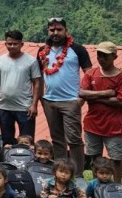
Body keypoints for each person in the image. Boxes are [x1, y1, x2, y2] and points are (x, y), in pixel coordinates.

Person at [37, 18, 91, 174]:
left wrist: (80, 99)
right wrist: (41, 98)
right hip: (49, 101)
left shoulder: (77, 49)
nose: (55, 33)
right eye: (52, 30)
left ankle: (77, 175)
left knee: (74, 140)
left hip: (70, 101)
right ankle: (60, 173)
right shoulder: (42, 50)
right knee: (57, 140)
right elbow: (38, 76)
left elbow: (89, 75)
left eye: (59, 30)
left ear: (66, 31)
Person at [79, 41, 122, 180]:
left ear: (114, 57)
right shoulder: (91, 74)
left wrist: (94, 97)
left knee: (116, 158)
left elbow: (120, 101)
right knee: (94, 157)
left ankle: (117, 184)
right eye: (99, 55)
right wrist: (107, 93)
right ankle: (96, 183)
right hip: (92, 123)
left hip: (113, 125)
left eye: (105, 56)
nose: (101, 59)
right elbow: (82, 93)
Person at [0, 30, 42, 146]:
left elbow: (37, 83)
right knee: (7, 141)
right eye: (9, 44)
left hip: (25, 108)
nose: (12, 46)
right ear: (5, 44)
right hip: (5, 107)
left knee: (26, 142)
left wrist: (34, 105)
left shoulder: (31, 61)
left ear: (21, 44)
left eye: (15, 43)